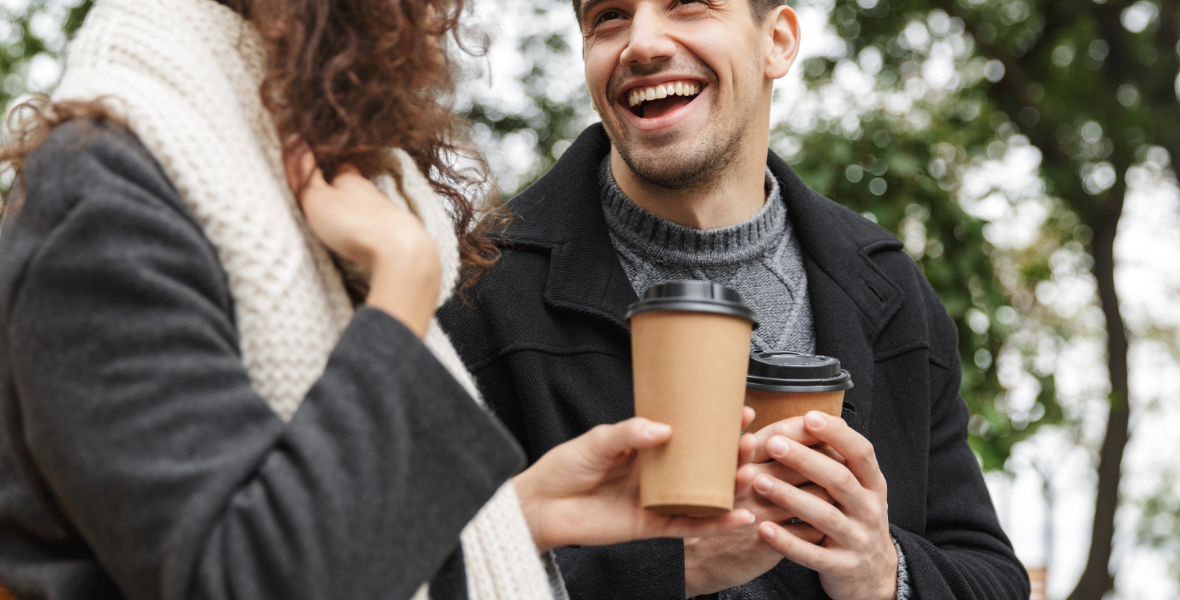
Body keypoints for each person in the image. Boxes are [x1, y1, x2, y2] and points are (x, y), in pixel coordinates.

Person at [0, 0, 757, 598]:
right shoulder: (103, 200)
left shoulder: (308, 186)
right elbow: (254, 578)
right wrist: (400, 288)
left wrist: (512, 524)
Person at [437, 0, 1031, 598]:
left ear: (777, 41)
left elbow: (995, 579)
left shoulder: (893, 291)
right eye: (610, 16)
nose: (642, 43)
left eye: (688, 5)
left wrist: (884, 572)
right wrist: (669, 567)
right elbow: (403, 574)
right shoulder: (474, 291)